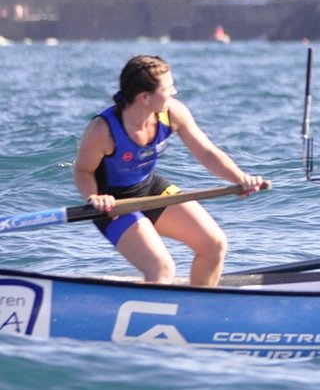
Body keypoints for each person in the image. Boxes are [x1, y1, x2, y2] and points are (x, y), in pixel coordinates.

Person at [73, 54, 265, 286]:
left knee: (214, 244)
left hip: (149, 188)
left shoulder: (172, 113)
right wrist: (95, 197)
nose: (174, 92)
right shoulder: (102, 130)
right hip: (114, 203)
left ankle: (196, 311)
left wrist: (240, 179)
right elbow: (83, 172)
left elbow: (207, 153)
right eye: (168, 87)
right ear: (145, 97)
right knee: (162, 268)